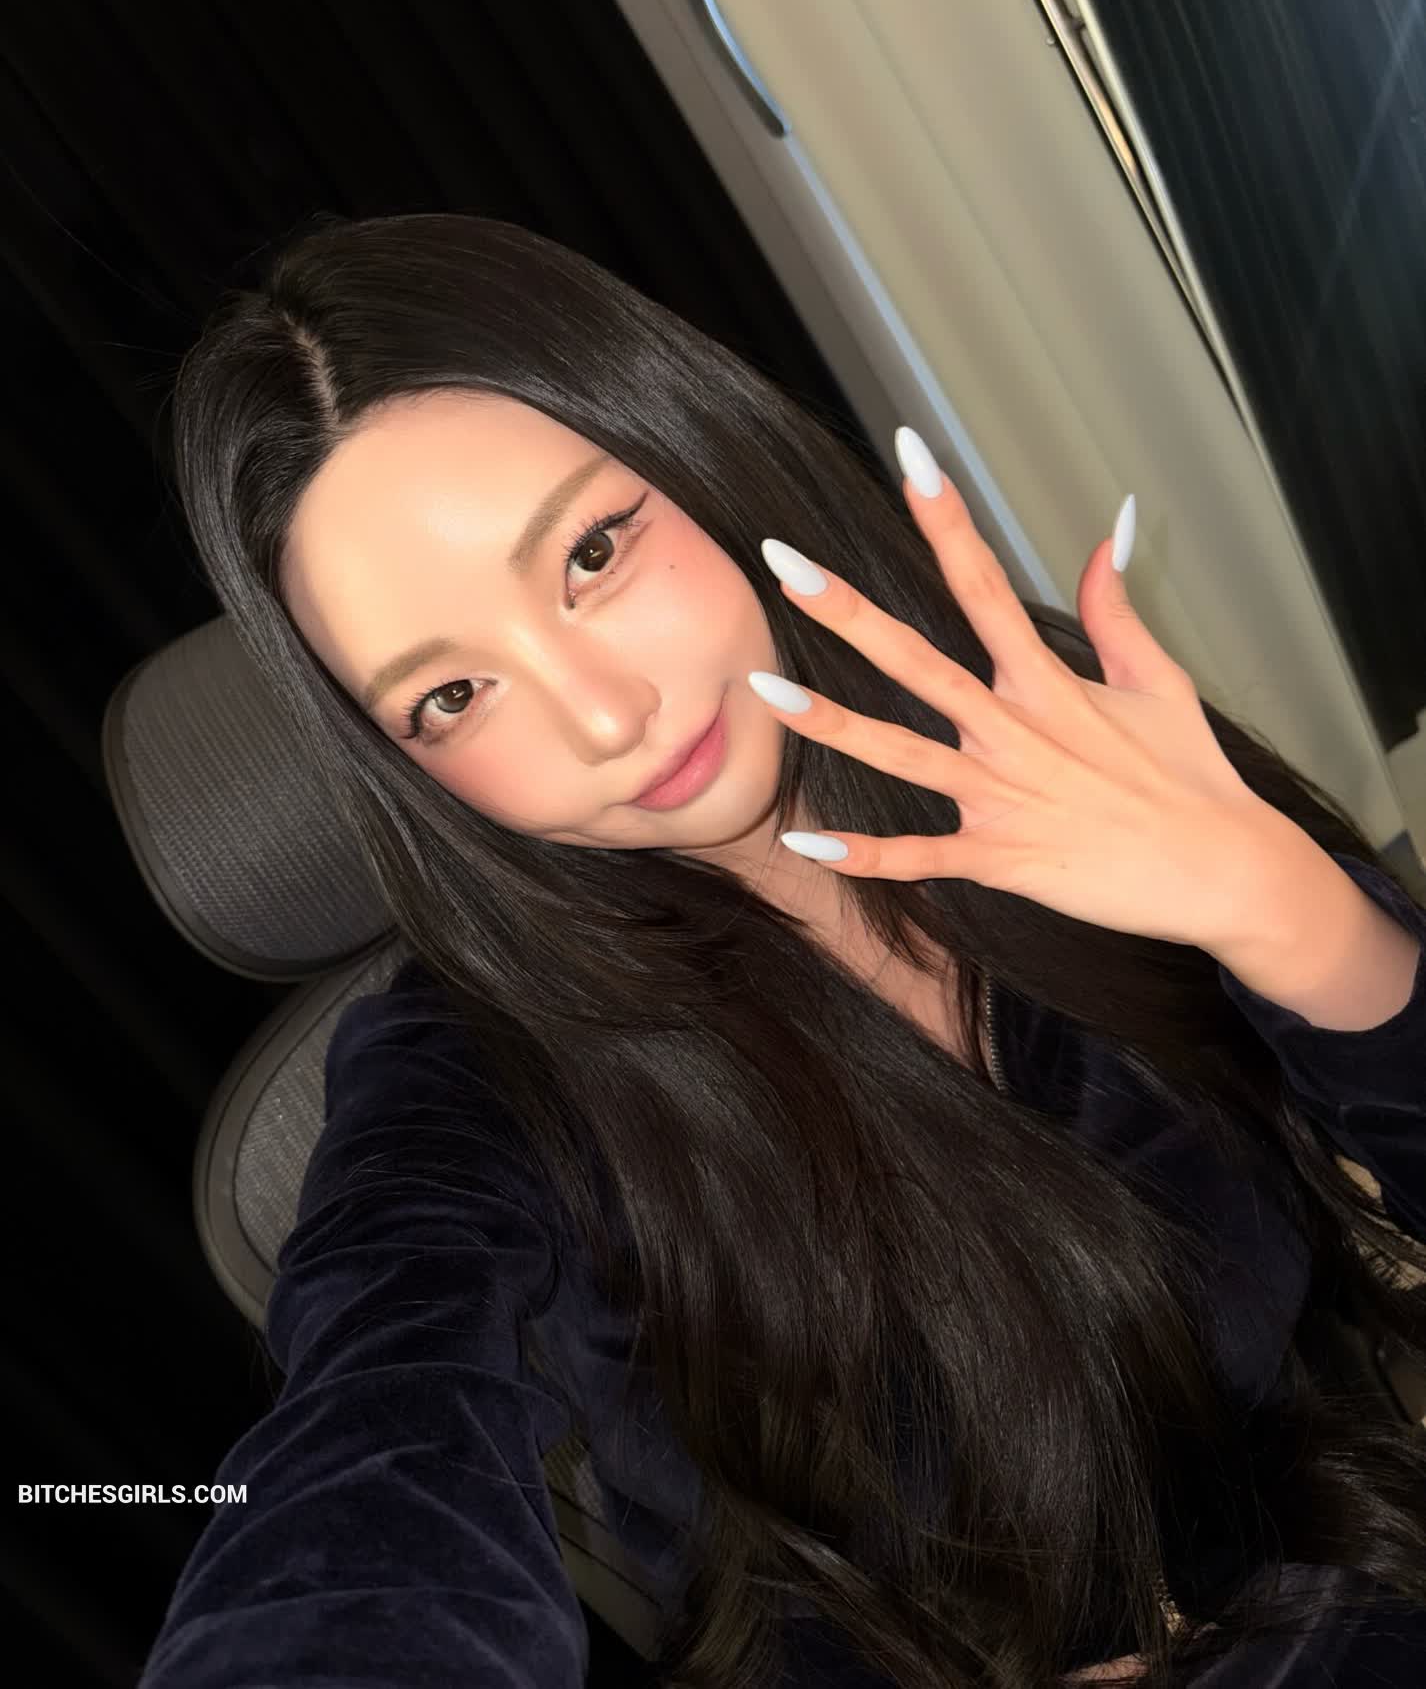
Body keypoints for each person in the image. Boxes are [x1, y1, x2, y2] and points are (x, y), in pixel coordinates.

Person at [138, 210, 1426, 1687]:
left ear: (696, 448)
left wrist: (1290, 912)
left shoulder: (1032, 740)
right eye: (450, 698)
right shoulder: (470, 1075)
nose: (604, 718)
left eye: (593, 553)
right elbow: (378, 1418)